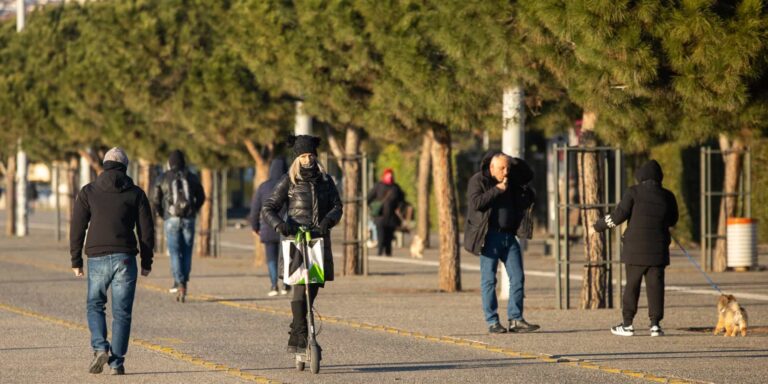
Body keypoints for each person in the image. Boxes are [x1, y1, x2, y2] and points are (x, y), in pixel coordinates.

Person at [70, 147, 154, 375]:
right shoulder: (136, 193)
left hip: (97, 256)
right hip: (125, 258)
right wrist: (147, 261)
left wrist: (75, 260)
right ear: (125, 167)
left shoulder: (89, 191)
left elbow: (77, 226)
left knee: (95, 304)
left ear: (104, 165)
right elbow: (146, 230)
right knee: (122, 312)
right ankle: (116, 363)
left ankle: (99, 347)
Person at [261, 135, 342, 353]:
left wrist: (328, 220)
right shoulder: (288, 180)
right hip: (295, 242)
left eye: (310, 155)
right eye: (303, 156)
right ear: (297, 158)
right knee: (299, 288)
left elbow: (337, 206)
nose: (307, 160)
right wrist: (280, 225)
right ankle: (300, 332)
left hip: (317, 241)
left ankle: (298, 326)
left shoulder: (326, 181)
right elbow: (268, 208)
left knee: (312, 286)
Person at [594, 160, 678, 337]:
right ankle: (655, 325)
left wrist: (599, 226)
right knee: (656, 287)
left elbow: (618, 216)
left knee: (632, 286)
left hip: (635, 250)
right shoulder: (668, 195)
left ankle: (627, 324)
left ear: (641, 176)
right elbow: (673, 220)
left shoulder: (633, 192)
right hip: (658, 250)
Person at [464, 151, 539, 334]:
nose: (505, 172)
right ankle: (492, 321)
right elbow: (476, 203)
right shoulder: (478, 180)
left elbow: (528, 174)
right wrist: (497, 190)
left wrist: (513, 162)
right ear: (491, 167)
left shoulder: (511, 179)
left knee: (518, 278)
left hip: (509, 236)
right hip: (489, 237)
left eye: (507, 167)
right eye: (501, 168)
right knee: (489, 280)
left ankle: (515, 319)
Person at [151, 150, 205, 300]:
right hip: (189, 217)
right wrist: (193, 209)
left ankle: (178, 282)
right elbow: (201, 197)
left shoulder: (162, 177)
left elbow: (155, 200)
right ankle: (184, 281)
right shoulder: (192, 177)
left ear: (170, 162)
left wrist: (163, 214)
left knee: (174, 251)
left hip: (171, 218)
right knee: (187, 251)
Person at [249, 158, 291, 296]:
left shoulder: (263, 186)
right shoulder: (290, 185)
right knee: (286, 256)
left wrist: (255, 226)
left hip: (267, 227)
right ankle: (286, 284)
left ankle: (273, 285)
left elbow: (255, 209)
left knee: (271, 258)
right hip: (286, 227)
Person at [367, 168, 406, 256]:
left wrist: (399, 207)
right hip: (380, 216)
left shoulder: (396, 187)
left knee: (389, 237)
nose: (390, 177)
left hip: (391, 217)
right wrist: (372, 208)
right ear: (384, 176)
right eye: (388, 175)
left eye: (391, 175)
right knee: (381, 236)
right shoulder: (378, 186)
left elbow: (402, 200)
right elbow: (369, 198)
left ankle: (388, 254)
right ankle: (380, 253)